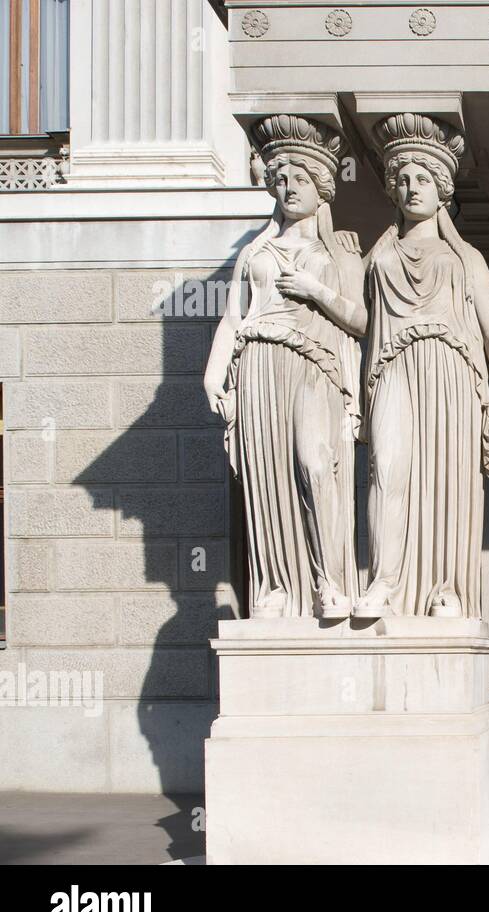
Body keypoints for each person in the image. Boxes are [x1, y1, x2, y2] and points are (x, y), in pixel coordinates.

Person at [202, 115, 365, 618]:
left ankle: (331, 581)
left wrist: (315, 290)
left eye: (299, 179)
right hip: (257, 365)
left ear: (321, 187)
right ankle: (276, 588)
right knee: (266, 473)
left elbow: (362, 320)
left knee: (316, 464)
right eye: (280, 179)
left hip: (314, 365)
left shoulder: (341, 251)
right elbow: (233, 317)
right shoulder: (255, 251)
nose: (289, 187)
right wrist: (212, 374)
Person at [355, 113, 489, 618]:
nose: (411, 188)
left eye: (422, 178)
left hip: (452, 373)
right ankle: (384, 580)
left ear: (441, 187)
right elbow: (358, 319)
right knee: (389, 467)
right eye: (402, 179)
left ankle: (444, 588)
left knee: (448, 479)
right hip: (393, 367)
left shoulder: (464, 257)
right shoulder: (378, 255)